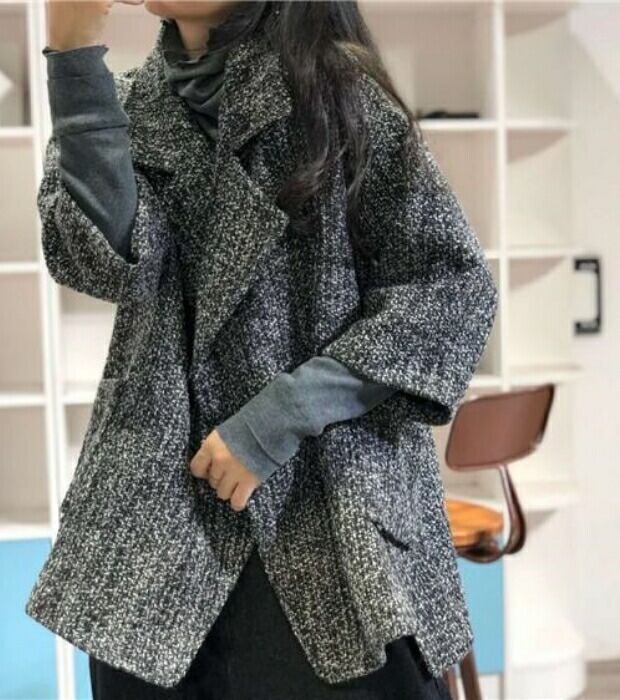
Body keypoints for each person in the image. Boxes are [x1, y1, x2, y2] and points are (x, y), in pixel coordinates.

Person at [26, 2, 499, 698]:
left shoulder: (337, 97)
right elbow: (98, 262)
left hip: (328, 508)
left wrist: (281, 415)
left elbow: (449, 291)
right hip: (161, 516)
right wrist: (72, 54)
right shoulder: (120, 104)